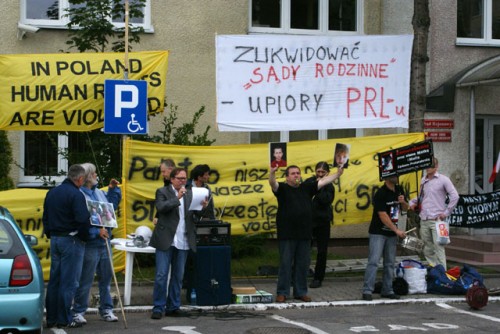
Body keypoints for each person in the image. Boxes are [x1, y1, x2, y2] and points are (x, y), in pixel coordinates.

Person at [269, 164, 343, 303]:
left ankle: (300, 291)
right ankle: (282, 292)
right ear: (287, 177)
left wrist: (338, 174)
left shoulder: (306, 187)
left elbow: (323, 182)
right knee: (285, 264)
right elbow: (272, 183)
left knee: (302, 265)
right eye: (293, 173)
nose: (296, 175)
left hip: (304, 234)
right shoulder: (283, 189)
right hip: (287, 234)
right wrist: (272, 172)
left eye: (298, 173)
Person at [150, 168, 208, 319]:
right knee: (162, 275)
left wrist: (202, 207)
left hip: (183, 239)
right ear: (172, 179)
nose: (183, 181)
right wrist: (177, 198)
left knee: (178, 276)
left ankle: (173, 306)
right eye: (180, 178)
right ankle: (158, 307)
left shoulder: (189, 194)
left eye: (184, 178)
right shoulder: (162, 191)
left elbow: (195, 214)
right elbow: (161, 208)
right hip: (166, 239)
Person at [72, 163, 122, 324]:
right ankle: (78, 311)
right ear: (86, 178)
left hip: (105, 240)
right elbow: (81, 220)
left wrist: (114, 190)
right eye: (93, 174)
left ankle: (106, 309)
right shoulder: (80, 195)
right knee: (86, 278)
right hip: (91, 242)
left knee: (106, 278)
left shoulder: (99, 192)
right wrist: (95, 232)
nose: (96, 176)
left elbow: (110, 209)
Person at [42, 164, 90, 329]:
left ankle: (51, 318)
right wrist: (84, 238)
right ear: (80, 179)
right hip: (71, 240)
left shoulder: (52, 192)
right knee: (68, 282)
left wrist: (50, 233)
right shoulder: (76, 195)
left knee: (55, 280)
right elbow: (83, 220)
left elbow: (45, 216)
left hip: (55, 239)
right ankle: (64, 318)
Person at [362, 175, 409, 301]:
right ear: (387, 177)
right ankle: (367, 290)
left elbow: (405, 209)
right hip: (378, 232)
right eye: (394, 175)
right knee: (373, 261)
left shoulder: (399, 189)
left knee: (389, 263)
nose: (397, 177)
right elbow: (382, 215)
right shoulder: (380, 194)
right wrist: (396, 230)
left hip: (391, 234)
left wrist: (403, 202)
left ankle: (387, 290)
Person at [409, 157, 459, 270]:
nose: (428, 167)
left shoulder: (443, 179)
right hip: (424, 219)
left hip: (438, 221)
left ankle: (442, 274)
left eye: (431, 165)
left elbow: (455, 196)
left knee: (439, 247)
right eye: (427, 165)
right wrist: (412, 202)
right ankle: (434, 270)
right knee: (427, 248)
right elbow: (422, 197)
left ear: (436, 167)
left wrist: (446, 213)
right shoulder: (423, 180)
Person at [305, 162, 335, 289]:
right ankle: (298, 274)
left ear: (327, 173)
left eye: (323, 172)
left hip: (323, 222)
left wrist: (320, 185)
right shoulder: (309, 181)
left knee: (322, 251)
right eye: (318, 171)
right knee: (304, 249)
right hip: (308, 221)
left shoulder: (329, 186)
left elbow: (325, 200)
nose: (320, 174)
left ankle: (318, 278)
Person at [153, 158, 176, 226]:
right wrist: (157, 216)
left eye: (163, 171)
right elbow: (164, 201)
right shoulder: (167, 181)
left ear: (170, 169)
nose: (162, 174)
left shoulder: (183, 184)